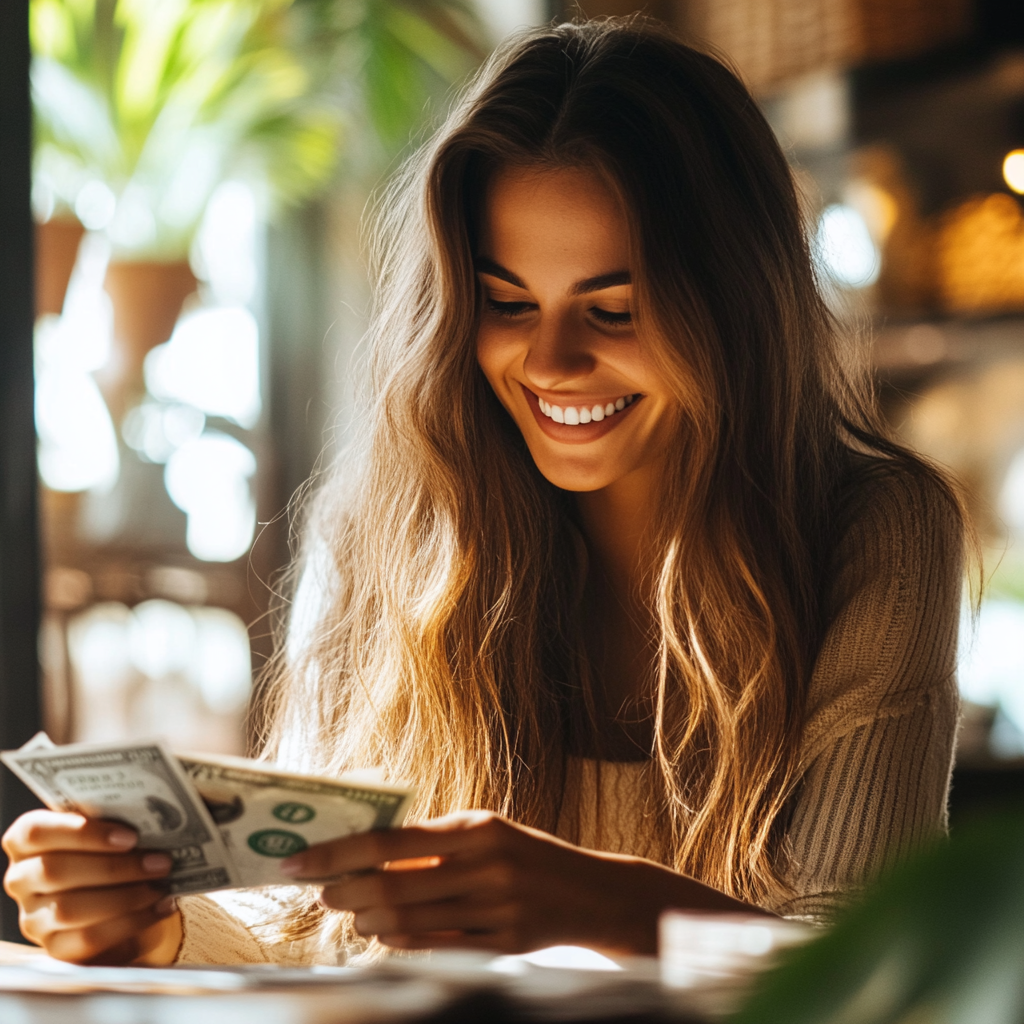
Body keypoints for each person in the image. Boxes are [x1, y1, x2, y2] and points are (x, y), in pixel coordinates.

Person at [3, 18, 965, 968]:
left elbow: (869, 973)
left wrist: (602, 907)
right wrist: (156, 926)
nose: (550, 361)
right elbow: (308, 933)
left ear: (736, 304)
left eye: (614, 309)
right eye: (508, 303)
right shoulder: (385, 530)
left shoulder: (875, 532)